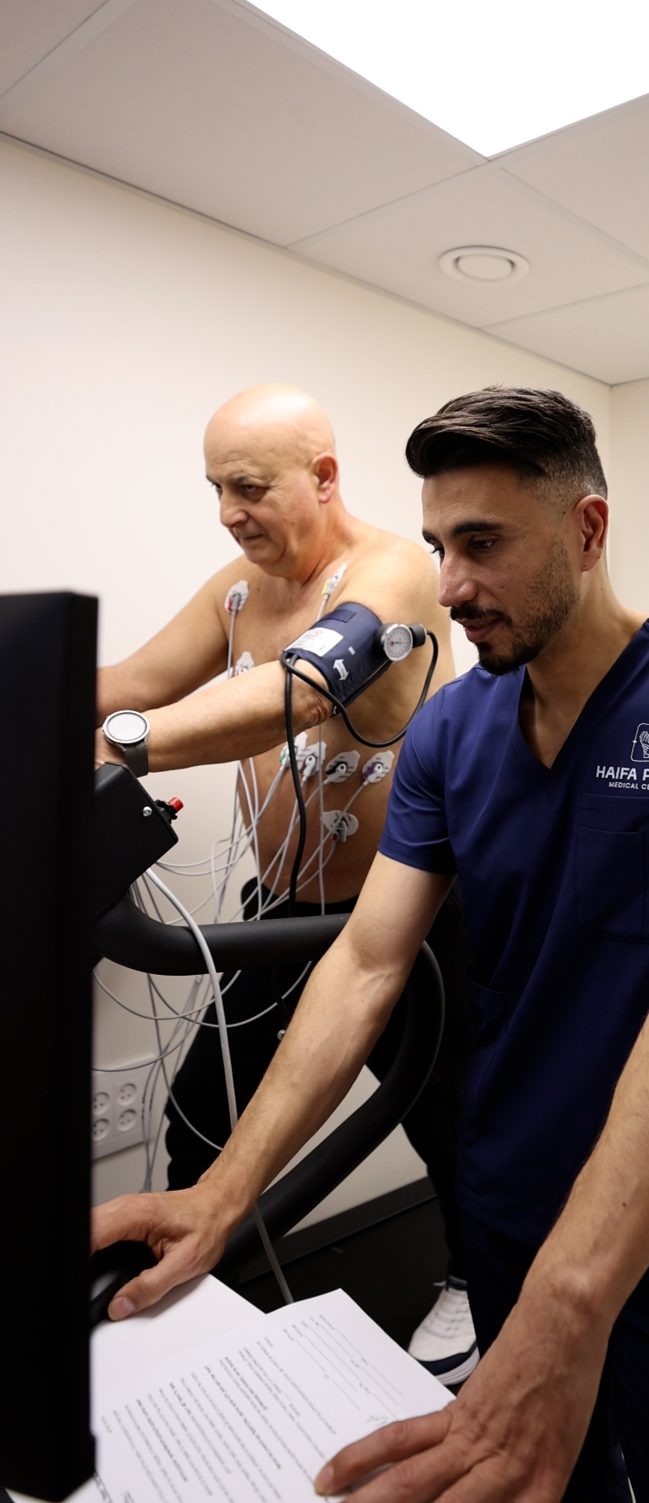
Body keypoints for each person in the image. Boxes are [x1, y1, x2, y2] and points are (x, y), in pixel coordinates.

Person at [94, 386, 649, 1503]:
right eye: (441, 544)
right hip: (511, 1208)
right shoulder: (452, 726)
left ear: (587, 530)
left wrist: (569, 1306)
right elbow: (366, 963)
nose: (448, 584)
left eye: (483, 545)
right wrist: (223, 1193)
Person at [96, 382, 479, 1385]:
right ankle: (195, 1299)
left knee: (449, 1117)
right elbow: (130, 685)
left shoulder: (396, 572)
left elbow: (306, 692)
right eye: (216, 489)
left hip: (415, 912)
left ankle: (474, 1278)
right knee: (199, 1112)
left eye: (250, 487)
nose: (229, 511)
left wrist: (119, 746)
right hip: (278, 915)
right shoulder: (238, 590)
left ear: (324, 476)